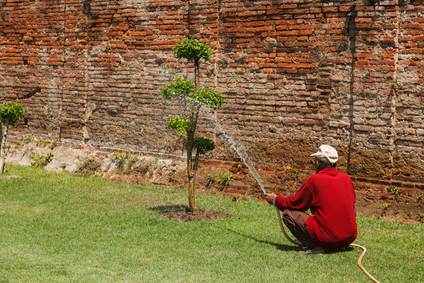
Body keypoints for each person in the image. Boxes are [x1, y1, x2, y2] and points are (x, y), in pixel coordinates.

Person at [264, 145, 357, 254]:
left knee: (288, 214)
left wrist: (276, 199)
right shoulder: (346, 178)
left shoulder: (315, 180)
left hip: (327, 238)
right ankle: (342, 246)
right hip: (350, 237)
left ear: (317, 164)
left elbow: (295, 203)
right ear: (335, 163)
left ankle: (314, 247)